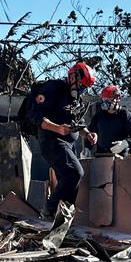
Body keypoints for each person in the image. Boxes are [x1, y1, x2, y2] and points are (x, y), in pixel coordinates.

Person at [28, 62, 96, 226]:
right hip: (53, 141)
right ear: (73, 76)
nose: (82, 90)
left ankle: (62, 220)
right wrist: (57, 128)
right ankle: (49, 212)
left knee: (69, 184)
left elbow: (77, 121)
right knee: (75, 172)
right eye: (81, 85)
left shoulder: (75, 98)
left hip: (68, 144)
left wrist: (87, 134)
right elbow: (36, 116)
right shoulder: (53, 88)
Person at [86, 85, 131, 157]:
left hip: (120, 157)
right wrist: (87, 148)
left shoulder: (125, 115)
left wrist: (125, 143)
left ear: (117, 99)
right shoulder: (98, 116)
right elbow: (91, 134)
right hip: (100, 156)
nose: (105, 103)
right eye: (104, 100)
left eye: (109, 100)